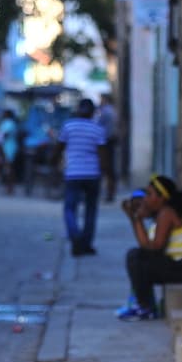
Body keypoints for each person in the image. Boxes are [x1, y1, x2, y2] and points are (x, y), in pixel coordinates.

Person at [116, 175, 182, 321]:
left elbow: (155, 248)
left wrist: (136, 219)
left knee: (135, 257)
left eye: (149, 194)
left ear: (162, 198)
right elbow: (145, 246)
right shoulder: (165, 213)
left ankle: (145, 306)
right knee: (137, 256)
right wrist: (136, 218)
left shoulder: (166, 213)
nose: (145, 199)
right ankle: (143, 305)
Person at [56, 97, 108, 256]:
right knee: (90, 210)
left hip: (73, 173)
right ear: (93, 112)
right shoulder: (97, 129)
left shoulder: (68, 126)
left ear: (78, 109)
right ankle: (86, 243)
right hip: (92, 173)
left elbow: (60, 147)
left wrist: (53, 162)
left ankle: (75, 236)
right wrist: (105, 173)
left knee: (70, 208)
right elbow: (102, 154)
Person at [96, 93, 121, 202]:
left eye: (101, 99)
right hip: (109, 141)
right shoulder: (112, 111)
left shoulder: (106, 112)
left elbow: (99, 126)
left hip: (107, 141)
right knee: (109, 168)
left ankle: (110, 193)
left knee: (107, 167)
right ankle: (110, 192)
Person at [0, 108, 20, 196]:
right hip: (9, 146)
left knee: (9, 167)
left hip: (8, 147)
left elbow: (4, 135)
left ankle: (10, 187)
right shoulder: (10, 123)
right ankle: (9, 186)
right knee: (8, 167)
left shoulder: (8, 123)